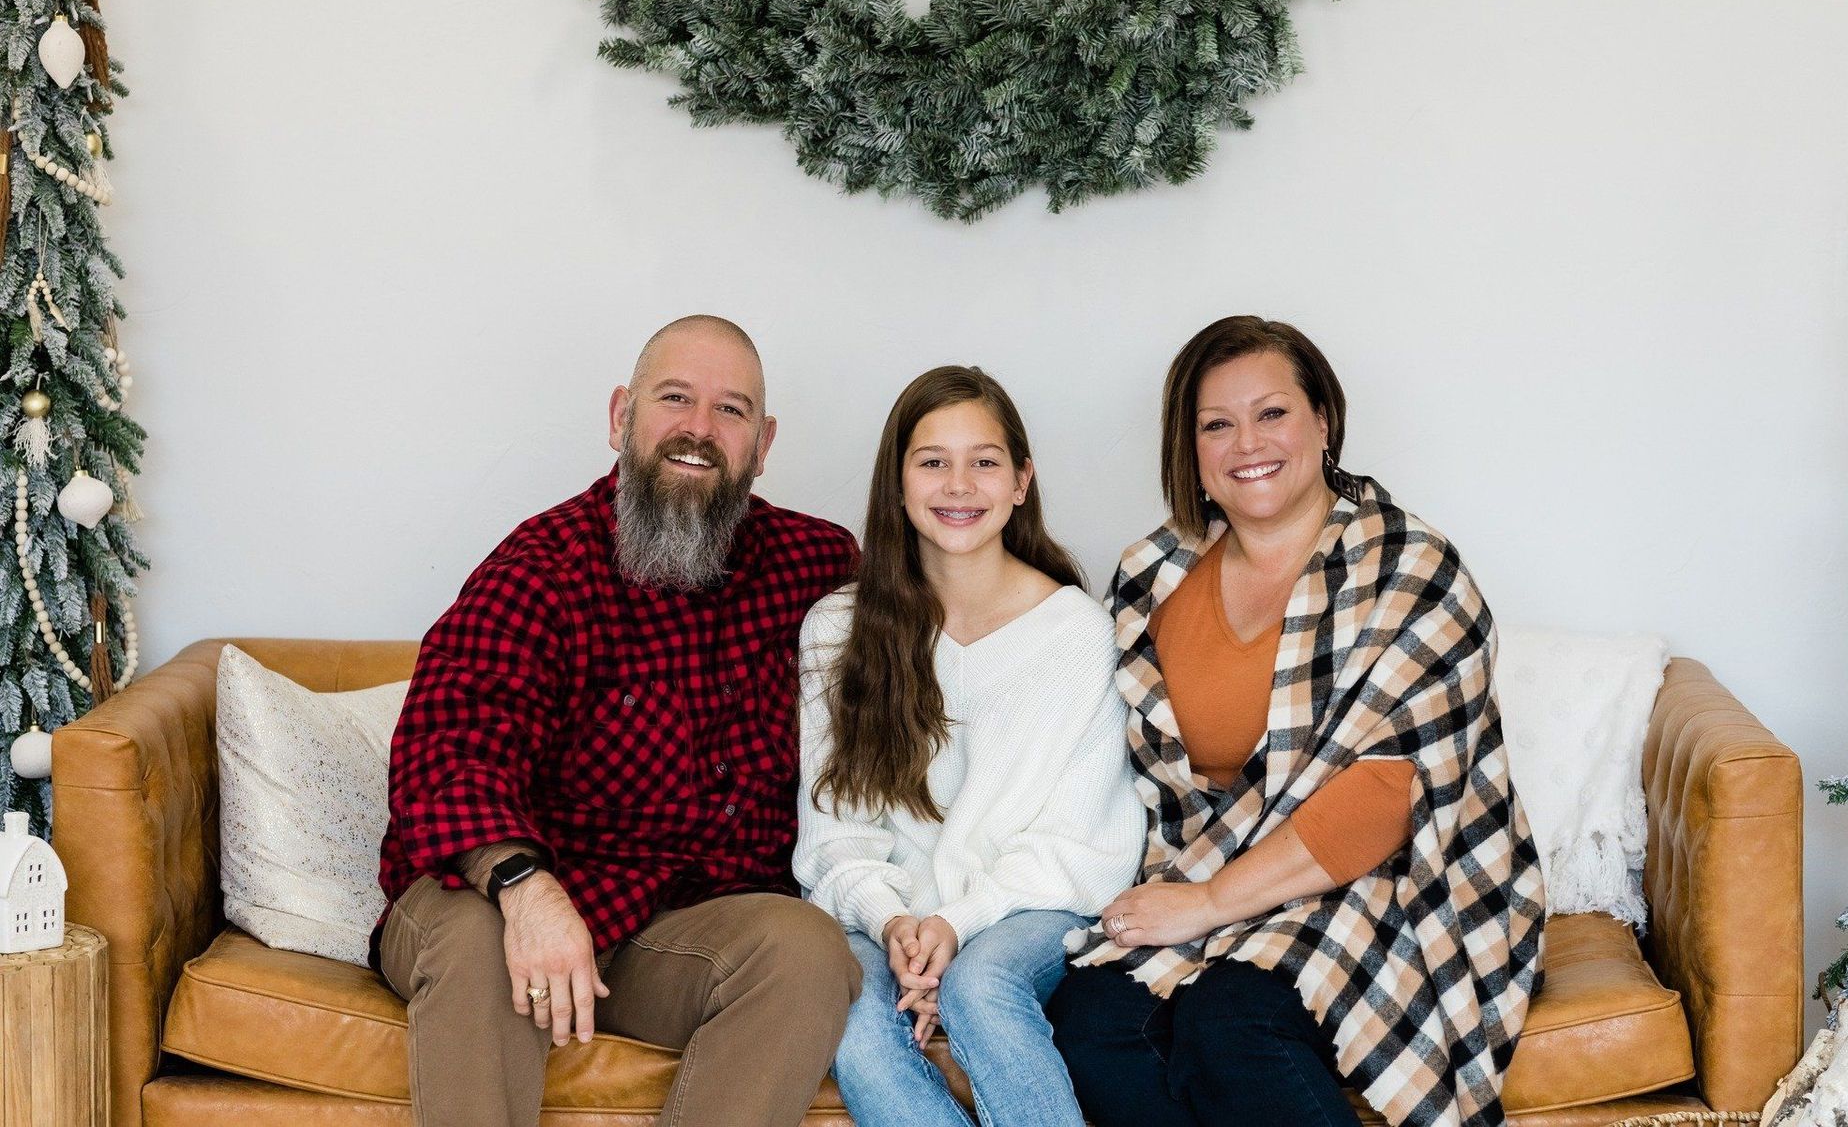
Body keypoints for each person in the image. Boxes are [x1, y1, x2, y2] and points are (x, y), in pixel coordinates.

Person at [1047, 316, 1545, 1127]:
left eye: (1272, 412)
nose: (1248, 441)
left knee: (1232, 1020)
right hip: (1200, 866)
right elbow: (1111, 765)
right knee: (1095, 1021)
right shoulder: (1151, 576)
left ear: (1324, 422)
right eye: (1217, 424)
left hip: (1386, 878)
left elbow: (1385, 801)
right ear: (1193, 450)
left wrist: (1211, 904)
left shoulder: (1410, 567)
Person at [374, 315, 863, 1127]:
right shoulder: (541, 567)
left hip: (674, 927)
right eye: (675, 398)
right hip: (506, 891)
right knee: (475, 941)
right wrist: (527, 890)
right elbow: (447, 745)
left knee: (805, 951)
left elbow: (940, 643)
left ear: (764, 441)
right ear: (620, 417)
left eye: (731, 410)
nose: (699, 430)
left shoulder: (813, 566)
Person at [793, 365, 1144, 1127]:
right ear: (897, 482)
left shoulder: (1078, 632)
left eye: (984, 461)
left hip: (1028, 905)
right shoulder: (836, 629)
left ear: (1022, 480)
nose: (959, 484)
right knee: (848, 1016)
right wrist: (896, 926)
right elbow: (834, 838)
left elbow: (1082, 843)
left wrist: (957, 924)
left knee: (979, 988)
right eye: (932, 461)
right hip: (876, 914)